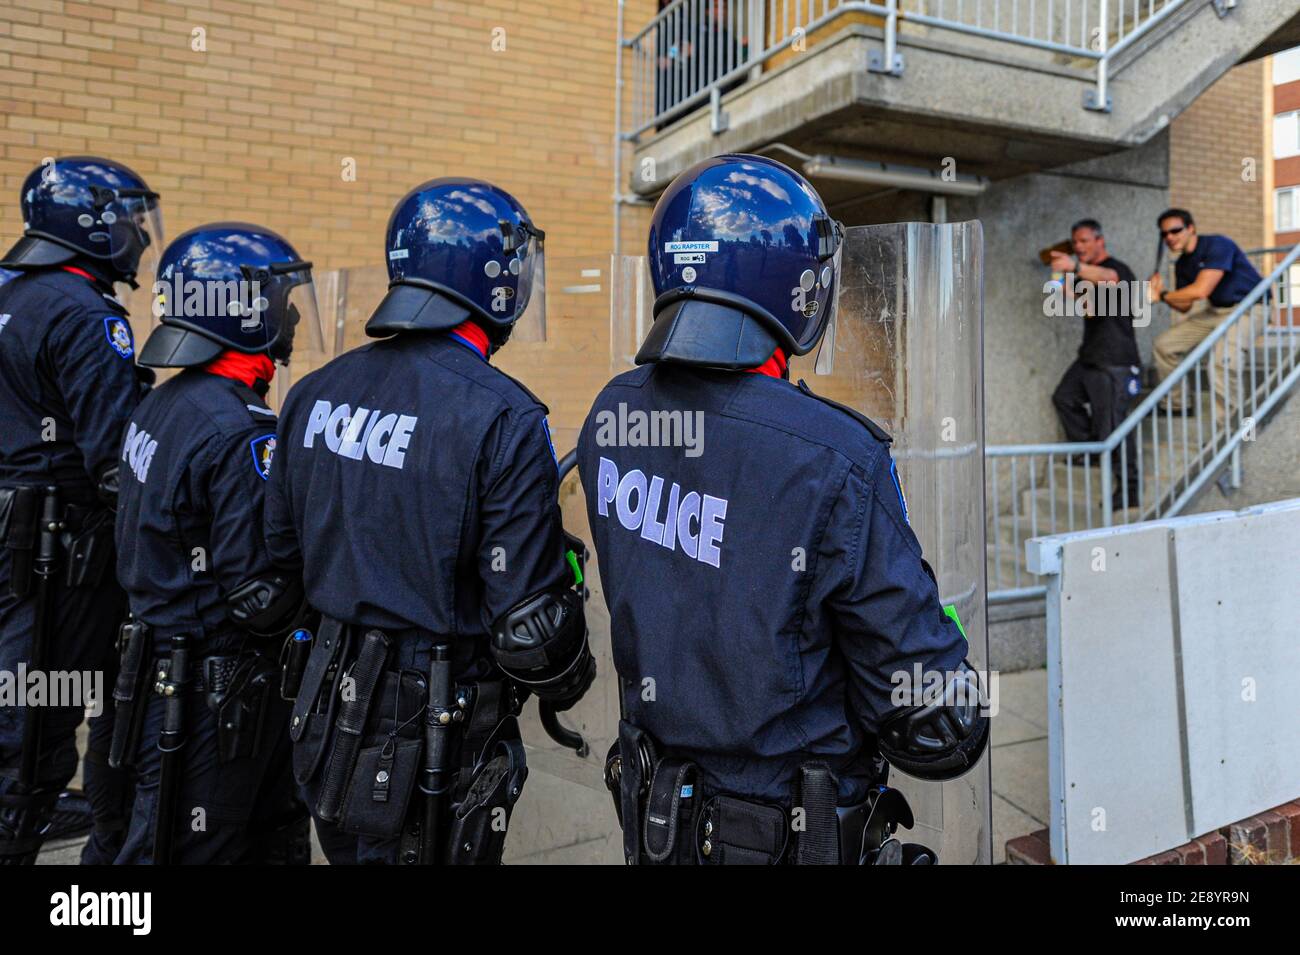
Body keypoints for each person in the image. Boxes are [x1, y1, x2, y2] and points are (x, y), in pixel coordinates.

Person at [578, 154, 988, 866]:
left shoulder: (614, 409)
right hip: (790, 835)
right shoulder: (834, 453)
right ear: (794, 283)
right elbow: (935, 722)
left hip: (657, 823)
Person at [265, 178, 595, 865]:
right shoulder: (505, 414)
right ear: (492, 275)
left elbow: (280, 553)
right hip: (433, 738)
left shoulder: (314, 392)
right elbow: (527, 628)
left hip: (325, 712)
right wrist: (571, 662)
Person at [111, 223, 315, 864]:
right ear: (243, 308)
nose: (292, 314)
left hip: (159, 663)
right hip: (216, 687)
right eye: (282, 299)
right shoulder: (241, 431)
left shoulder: (162, 404)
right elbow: (257, 594)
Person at [0, 156, 162, 865]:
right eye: (131, 219)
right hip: (55, 548)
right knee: (34, 718)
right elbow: (117, 463)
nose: (140, 237)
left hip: (11, 527)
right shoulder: (84, 313)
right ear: (92, 224)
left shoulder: (8, 290)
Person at [1049, 218, 1142, 510]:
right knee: (1064, 397)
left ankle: (1128, 490)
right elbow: (1070, 300)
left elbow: (1110, 277)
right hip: (1090, 358)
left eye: (1084, 241)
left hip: (1116, 363)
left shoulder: (1117, 270)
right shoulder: (1085, 276)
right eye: (1075, 243)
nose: (1079, 247)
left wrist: (1073, 267)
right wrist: (1058, 272)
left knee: (1113, 426)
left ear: (1100, 241)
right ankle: (1089, 451)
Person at [1147, 208, 1263, 416]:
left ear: (1191, 228)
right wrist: (1161, 292)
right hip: (1216, 311)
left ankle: (1228, 433)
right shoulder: (1182, 263)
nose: (1170, 237)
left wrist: (1162, 296)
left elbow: (1201, 291)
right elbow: (1185, 305)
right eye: (1164, 234)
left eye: (1175, 230)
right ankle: (1177, 405)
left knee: (1222, 362)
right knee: (1164, 346)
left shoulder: (1218, 244)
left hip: (1250, 307)